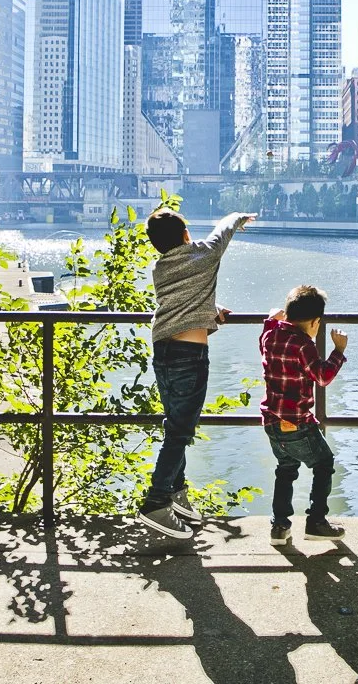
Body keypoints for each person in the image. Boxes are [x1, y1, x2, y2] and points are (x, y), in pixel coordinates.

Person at [137, 207, 255, 538]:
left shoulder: (159, 268)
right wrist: (238, 216)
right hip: (190, 355)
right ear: (187, 235)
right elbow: (223, 231)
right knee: (180, 432)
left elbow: (182, 303)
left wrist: (211, 312)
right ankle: (156, 502)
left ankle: (178, 495)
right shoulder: (203, 254)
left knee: (174, 426)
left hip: (162, 349)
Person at [259, 284, 348, 545]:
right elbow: (322, 377)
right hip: (296, 422)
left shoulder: (271, 336)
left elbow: (263, 339)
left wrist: (269, 320)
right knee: (324, 463)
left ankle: (280, 526)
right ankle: (316, 522)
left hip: (271, 421)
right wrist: (338, 350)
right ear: (315, 322)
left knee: (285, 468)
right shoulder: (303, 344)